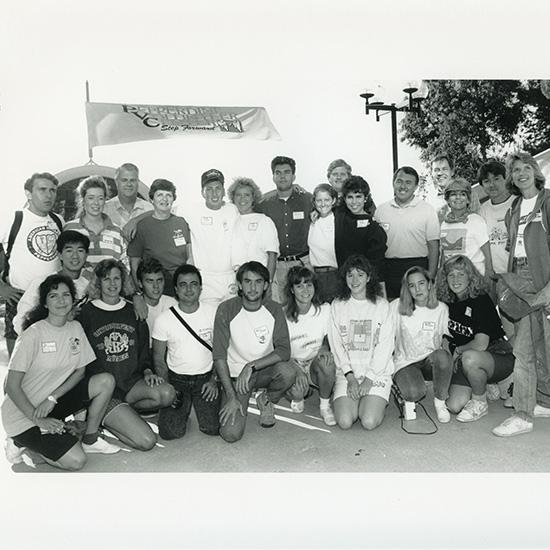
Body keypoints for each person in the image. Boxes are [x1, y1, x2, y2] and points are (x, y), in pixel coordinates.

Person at [2, 274, 119, 470]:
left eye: (66, 295)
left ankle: (90, 438)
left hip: (49, 403)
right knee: (76, 461)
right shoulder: (33, 334)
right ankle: (20, 442)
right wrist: (38, 419)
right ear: (45, 303)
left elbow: (80, 371)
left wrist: (52, 398)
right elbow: (11, 386)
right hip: (22, 415)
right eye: (53, 296)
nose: (61, 300)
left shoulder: (75, 328)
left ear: (73, 300)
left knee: (105, 381)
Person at [79, 259, 176, 450]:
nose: (113, 284)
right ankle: (102, 417)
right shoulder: (87, 312)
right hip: (105, 392)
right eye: (107, 279)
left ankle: (121, 415)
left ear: (124, 281)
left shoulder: (134, 308)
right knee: (147, 442)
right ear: (98, 282)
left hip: (131, 384)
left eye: (117, 278)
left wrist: (148, 371)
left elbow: (142, 351)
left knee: (167, 393)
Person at [493, 152, 550, 437]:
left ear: (536, 172)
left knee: (544, 346)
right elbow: (514, 250)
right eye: (515, 170)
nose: (521, 173)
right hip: (522, 279)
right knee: (525, 348)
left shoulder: (548, 201)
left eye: (526, 168)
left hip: (545, 278)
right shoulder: (514, 206)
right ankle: (524, 413)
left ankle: (542, 401)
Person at [213, 261, 295, 442]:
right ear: (239, 285)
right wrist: (232, 396)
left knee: (288, 372)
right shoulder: (226, 309)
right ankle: (238, 396)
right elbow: (219, 356)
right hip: (237, 377)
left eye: (258, 282)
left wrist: (252, 365)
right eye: (247, 281)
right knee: (230, 434)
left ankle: (266, 398)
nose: (252, 287)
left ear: (266, 285)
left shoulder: (274, 309)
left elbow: (284, 350)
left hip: (263, 370)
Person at [437, 255, 514, 423]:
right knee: (454, 405)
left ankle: (480, 402)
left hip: (496, 354)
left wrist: (457, 351)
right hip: (466, 359)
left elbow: (481, 344)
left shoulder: (480, 300)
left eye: (461, 274)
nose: (455, 279)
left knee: (470, 358)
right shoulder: (446, 302)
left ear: (470, 277)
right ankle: (484, 384)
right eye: (451, 275)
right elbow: (444, 337)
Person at [152, 264, 220, 440]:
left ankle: (201, 404)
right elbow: (159, 359)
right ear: (176, 289)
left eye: (193, 284)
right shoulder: (163, 320)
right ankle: (185, 410)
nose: (189, 289)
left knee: (212, 428)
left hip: (206, 379)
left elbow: (222, 351)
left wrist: (214, 380)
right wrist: (169, 389)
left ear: (201, 287)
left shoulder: (213, 313)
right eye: (183, 284)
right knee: (170, 434)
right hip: (177, 380)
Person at [0, 172, 63, 355]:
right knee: (19, 357)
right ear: (28, 193)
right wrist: (1, 287)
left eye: (52, 190)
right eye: (42, 189)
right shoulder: (13, 219)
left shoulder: (58, 221)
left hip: (50, 298)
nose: (49, 195)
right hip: (19, 296)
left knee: (48, 353)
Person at [328, 254, 394, 431]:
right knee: (345, 421)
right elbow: (336, 345)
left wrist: (369, 379)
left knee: (369, 421)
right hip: (348, 373)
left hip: (376, 373)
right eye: (350, 275)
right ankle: (354, 400)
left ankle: (374, 401)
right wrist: (350, 377)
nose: (354, 279)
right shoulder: (337, 305)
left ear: (369, 277)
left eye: (360, 274)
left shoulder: (382, 305)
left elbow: (386, 347)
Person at [391, 266, 452, 423]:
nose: (417, 289)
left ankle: (440, 402)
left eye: (421, 283)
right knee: (414, 393)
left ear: (430, 284)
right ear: (407, 289)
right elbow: (384, 336)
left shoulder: (441, 309)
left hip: (430, 361)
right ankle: (403, 388)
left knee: (443, 356)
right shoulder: (397, 306)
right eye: (411, 285)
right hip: (406, 363)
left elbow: (451, 337)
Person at [374, 166, 440, 299]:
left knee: (417, 310)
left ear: (416, 186)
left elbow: (433, 246)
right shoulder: (381, 210)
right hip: (389, 269)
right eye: (399, 181)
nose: (403, 186)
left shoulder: (427, 210)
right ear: (393, 183)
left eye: (408, 182)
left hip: (418, 267)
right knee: (392, 311)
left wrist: (431, 275)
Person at [176, 169, 239, 305]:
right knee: (208, 322)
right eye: (209, 189)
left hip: (230, 277)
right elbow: (162, 210)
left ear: (223, 191)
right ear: (202, 192)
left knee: (232, 321)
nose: (214, 193)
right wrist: (135, 221)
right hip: (205, 279)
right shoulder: (191, 210)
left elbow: (256, 202)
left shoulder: (232, 210)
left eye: (218, 188)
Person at [283, 266, 336, 426]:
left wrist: (324, 348)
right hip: (293, 362)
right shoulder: (282, 315)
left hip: (314, 361)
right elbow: (280, 350)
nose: (305, 290)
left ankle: (325, 405)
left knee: (327, 363)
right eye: (299, 286)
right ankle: (300, 395)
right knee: (297, 392)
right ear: (291, 290)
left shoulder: (325, 309)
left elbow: (328, 337)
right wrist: (297, 371)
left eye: (309, 285)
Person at [13, 230, 93, 336]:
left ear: (86, 255)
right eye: (69, 251)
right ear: (59, 255)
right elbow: (21, 322)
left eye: (80, 250)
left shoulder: (91, 285)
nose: (75, 256)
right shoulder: (41, 283)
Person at [256, 156, 313, 304]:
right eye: (278, 172)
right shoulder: (264, 204)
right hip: (277, 266)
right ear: (273, 176)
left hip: (303, 262)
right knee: (280, 308)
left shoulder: (308, 199)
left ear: (294, 176)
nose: (282, 176)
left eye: (287, 172)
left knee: (305, 305)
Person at [128, 178, 192, 297]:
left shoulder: (181, 222)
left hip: (180, 285)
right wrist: (140, 289)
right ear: (152, 199)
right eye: (160, 195)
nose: (164, 199)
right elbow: (134, 262)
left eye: (169, 195)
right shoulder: (142, 226)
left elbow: (190, 257)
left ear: (173, 199)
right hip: (155, 287)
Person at [64, 175, 129, 271]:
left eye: (100, 198)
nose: (96, 203)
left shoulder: (117, 232)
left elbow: (125, 267)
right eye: (91, 198)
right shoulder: (70, 228)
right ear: (83, 200)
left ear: (105, 201)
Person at [228, 176, 279, 284]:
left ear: (253, 198)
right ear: (233, 198)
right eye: (238, 195)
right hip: (235, 280)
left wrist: (268, 282)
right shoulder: (230, 220)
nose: (242, 199)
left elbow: (272, 255)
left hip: (258, 279)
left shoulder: (264, 221)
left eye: (247, 195)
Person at [334, 176, 387, 278]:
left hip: (364, 282)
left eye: (358, 196)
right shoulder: (339, 216)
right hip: (341, 279)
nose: (354, 202)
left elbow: (377, 265)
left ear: (365, 198)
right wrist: (314, 211)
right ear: (344, 199)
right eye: (350, 197)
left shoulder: (374, 229)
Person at [440, 178, 493, 277]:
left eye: (462, 194)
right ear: (447, 199)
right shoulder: (444, 224)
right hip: (453, 278)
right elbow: (444, 253)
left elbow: (487, 252)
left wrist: (489, 274)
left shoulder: (476, 220)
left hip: (474, 277)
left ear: (468, 199)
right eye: (453, 194)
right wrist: (441, 273)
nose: (458, 197)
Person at [307, 184, 340, 302]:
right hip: (314, 275)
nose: (322, 204)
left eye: (327, 200)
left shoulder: (338, 219)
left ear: (334, 200)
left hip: (334, 275)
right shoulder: (312, 220)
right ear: (314, 202)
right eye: (319, 200)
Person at [136, 257, 177, 342]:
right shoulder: (135, 306)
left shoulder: (173, 304)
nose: (156, 286)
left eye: (159, 280)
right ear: (140, 283)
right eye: (150, 281)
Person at [103, 163, 153, 230]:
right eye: (124, 180)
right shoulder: (105, 210)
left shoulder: (149, 209)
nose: (129, 184)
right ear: (116, 182)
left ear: (138, 182)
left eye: (132, 180)